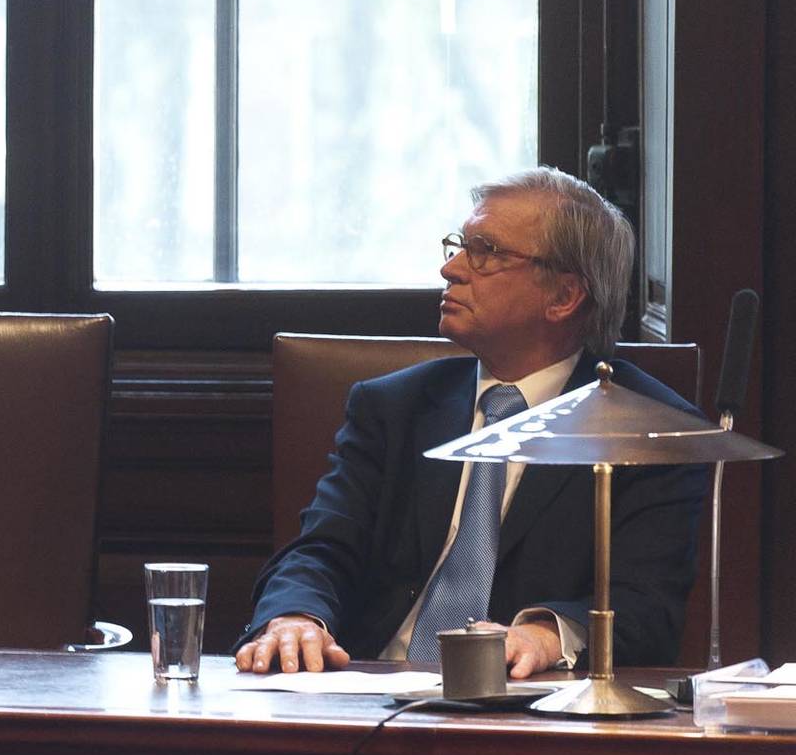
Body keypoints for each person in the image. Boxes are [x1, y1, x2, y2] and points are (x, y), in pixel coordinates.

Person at [236, 167, 706, 678]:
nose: (452, 269)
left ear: (564, 297)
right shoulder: (394, 408)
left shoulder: (648, 428)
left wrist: (548, 635)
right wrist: (295, 615)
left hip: (526, 710)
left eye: (486, 252)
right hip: (367, 689)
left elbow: (648, 607)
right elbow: (323, 549)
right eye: (458, 246)